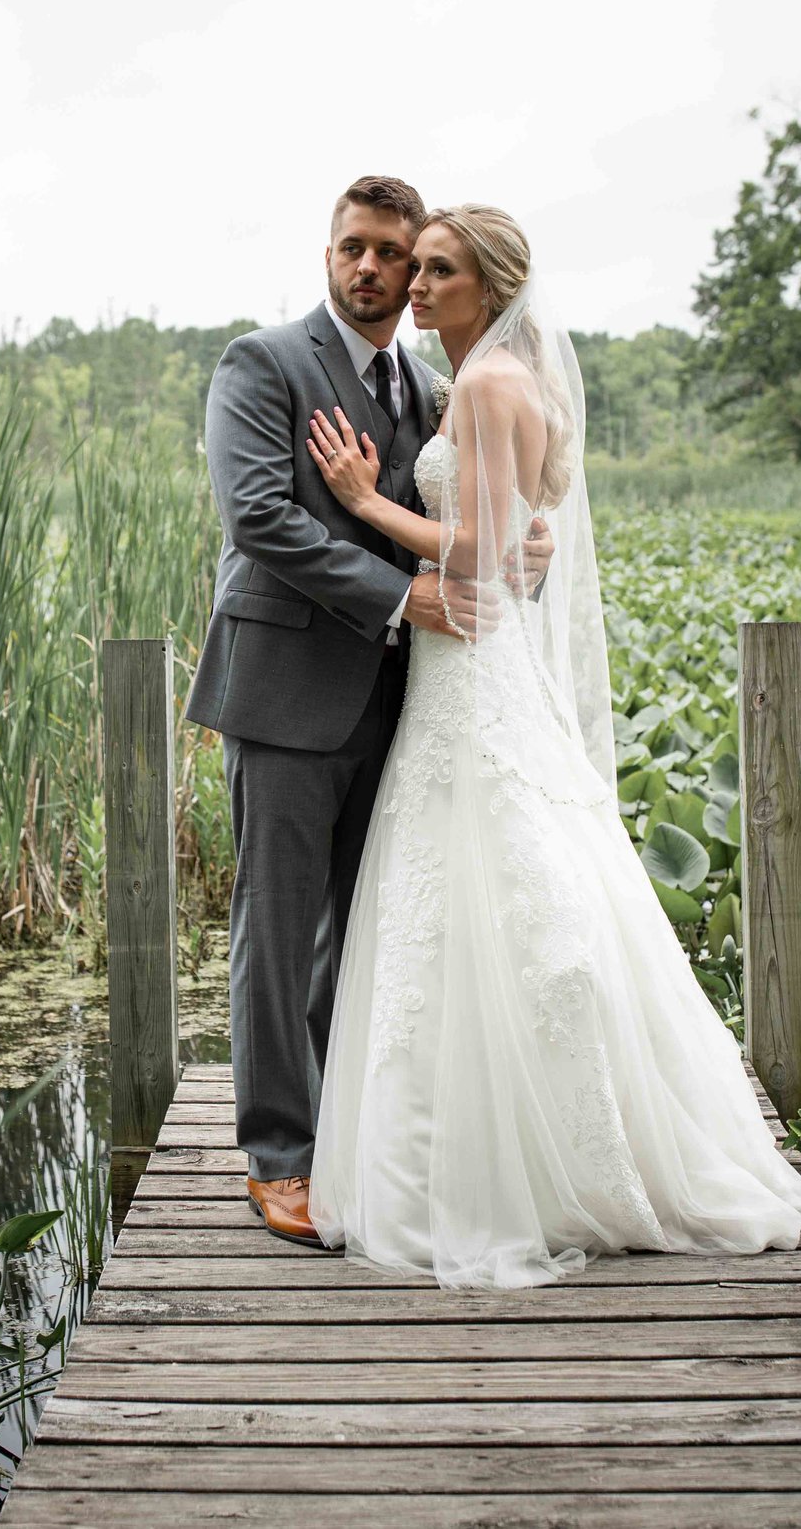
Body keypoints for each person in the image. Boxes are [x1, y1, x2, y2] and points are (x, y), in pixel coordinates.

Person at [300, 203, 801, 1287]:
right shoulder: (477, 383)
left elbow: (485, 549)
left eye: (438, 269)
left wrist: (362, 501)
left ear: (487, 287)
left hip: (472, 668)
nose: (416, 283)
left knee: (508, 885)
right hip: (467, 671)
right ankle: (481, 1134)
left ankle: (533, 1158)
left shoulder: (487, 385)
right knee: (475, 893)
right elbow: (518, 536)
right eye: (416, 266)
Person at [183, 176, 551, 1245]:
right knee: (276, 926)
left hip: (402, 696)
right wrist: (404, 594)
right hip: (287, 689)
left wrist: (522, 541)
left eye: (396, 252)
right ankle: (280, 1159)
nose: (373, 268)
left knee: (366, 931)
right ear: (330, 251)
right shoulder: (263, 363)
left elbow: (478, 505)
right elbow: (258, 518)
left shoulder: (437, 384)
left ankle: (349, 1137)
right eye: (354, 246)